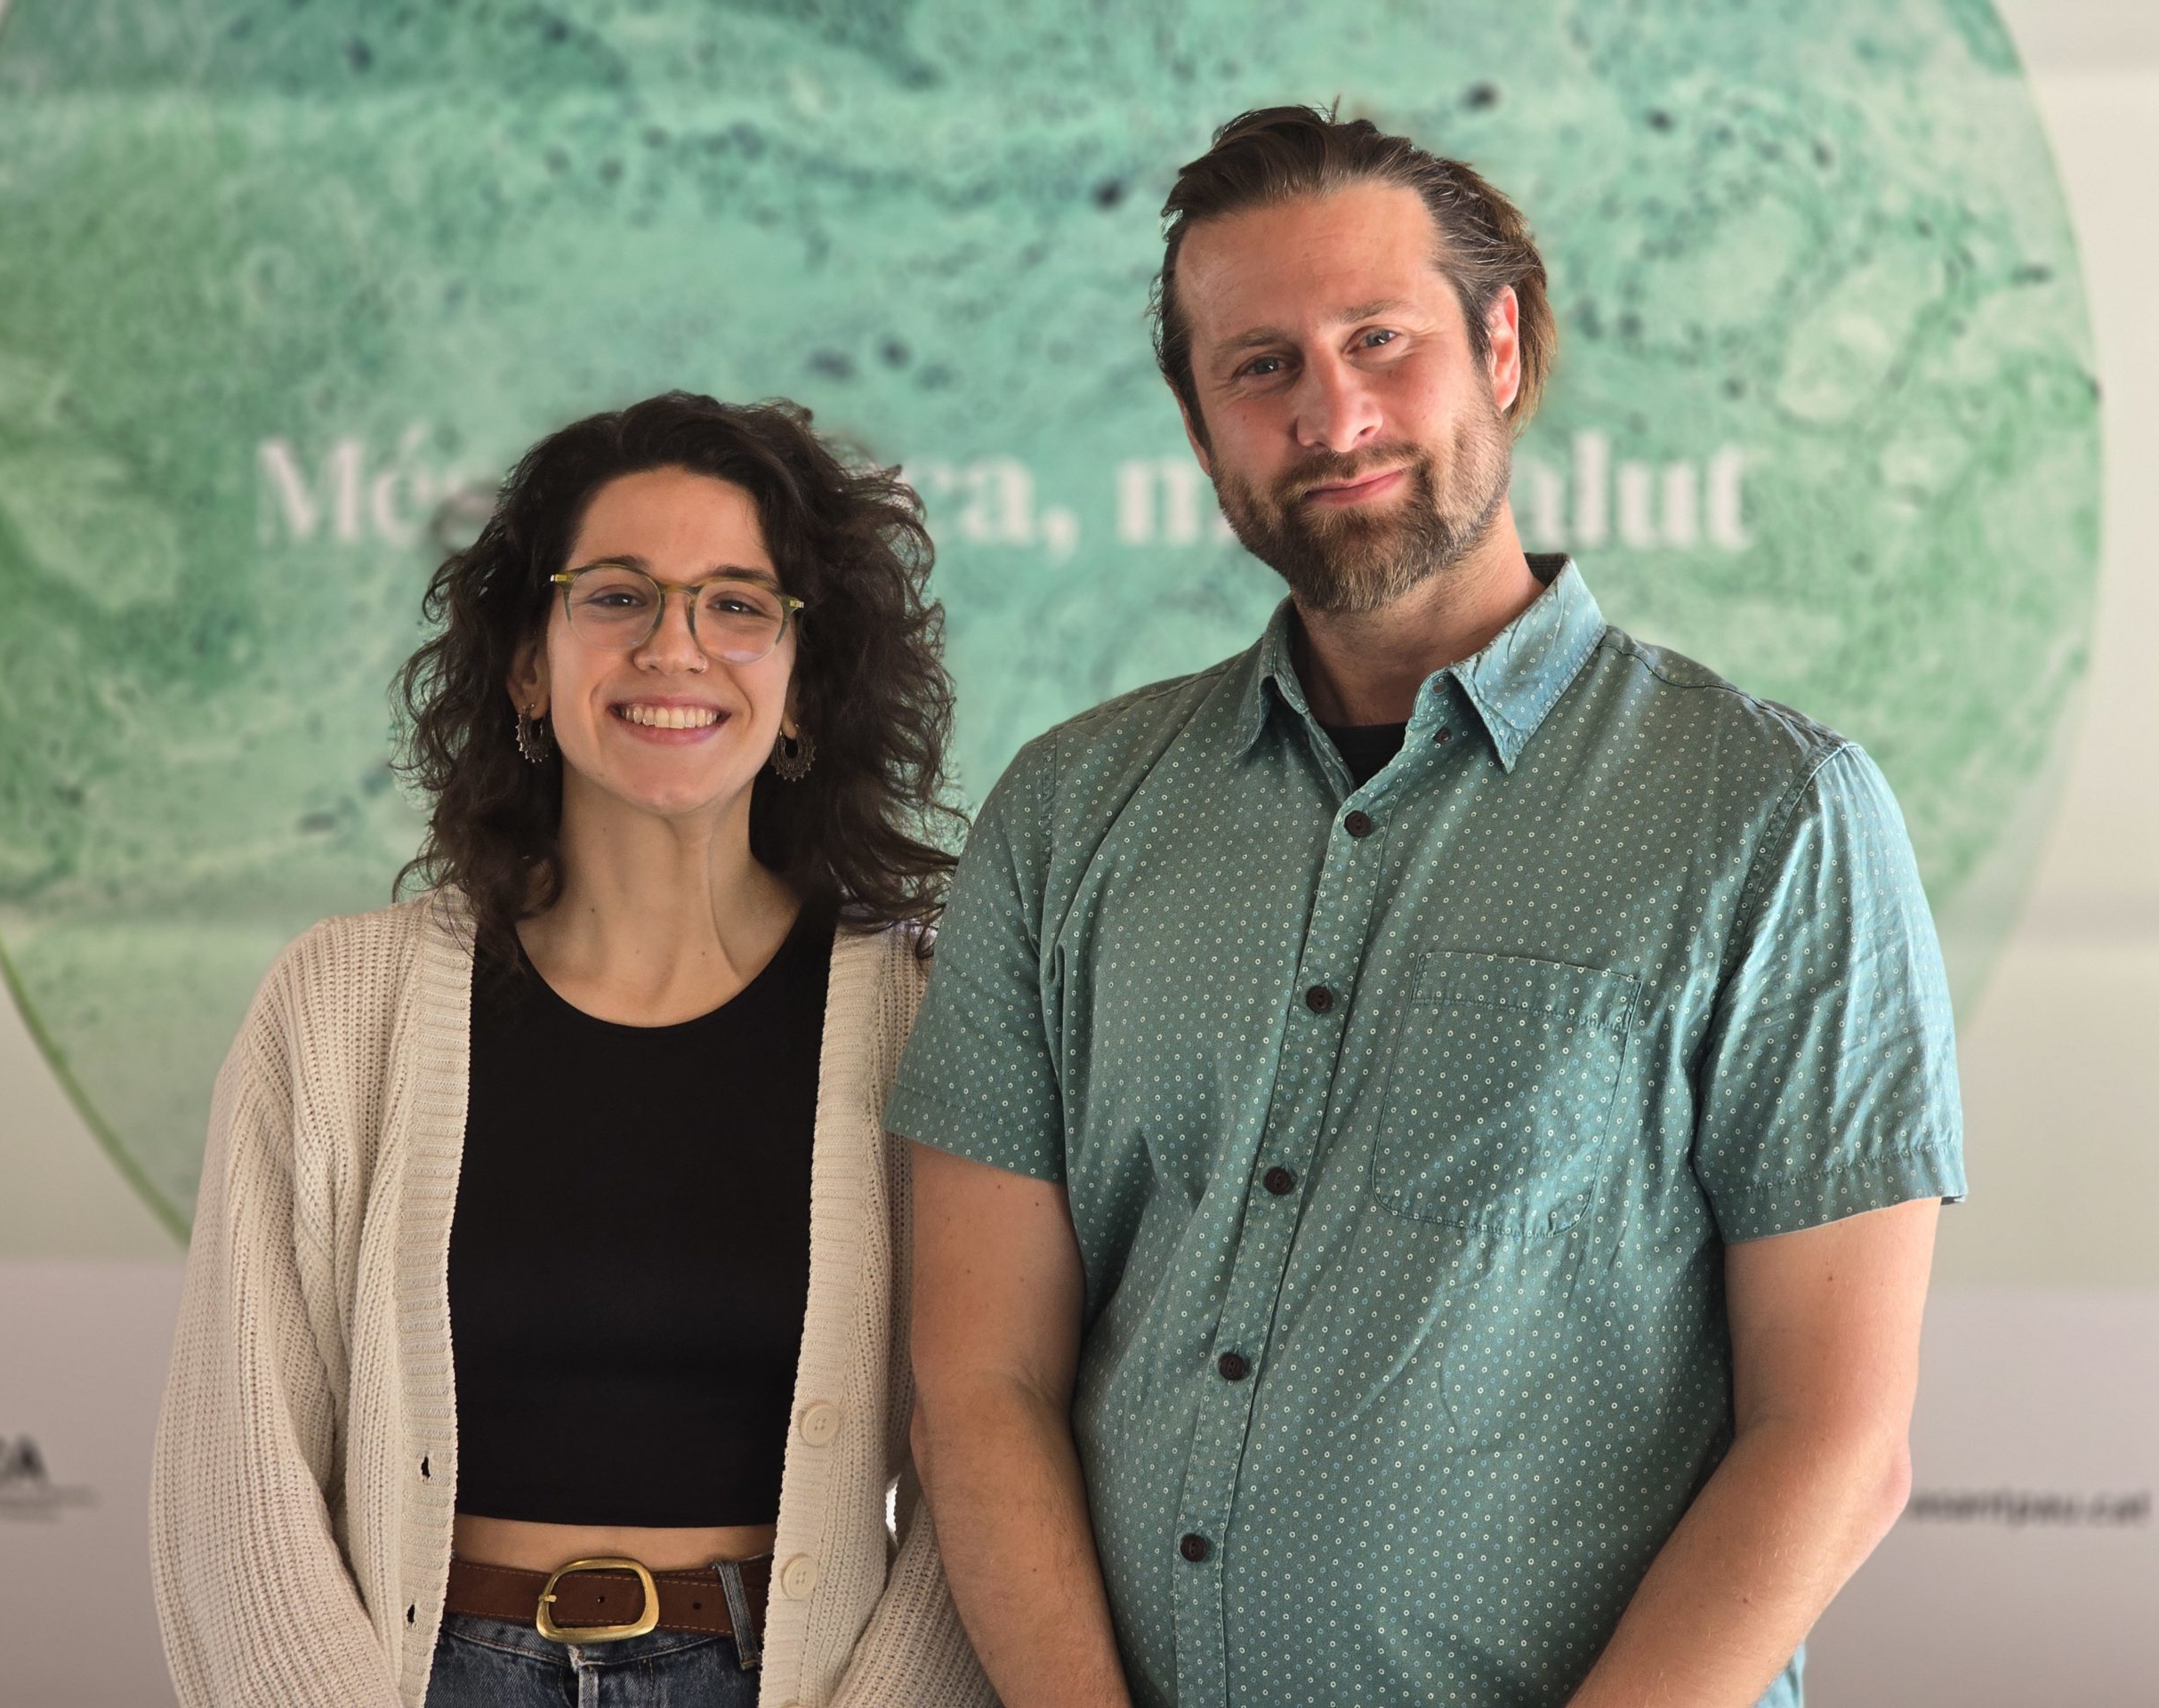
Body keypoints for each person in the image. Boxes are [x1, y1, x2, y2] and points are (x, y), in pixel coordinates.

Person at [894, 107, 1965, 1708]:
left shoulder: (1773, 816)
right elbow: (980, 1384)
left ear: (1501, 350)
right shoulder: (1065, 813)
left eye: (1379, 340)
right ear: (1200, 428)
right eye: (1262, 366)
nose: (1332, 416)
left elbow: (1834, 1446)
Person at [152, 392, 995, 1708]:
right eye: (616, 596)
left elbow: (990, 1458)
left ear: (804, 691)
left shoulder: (930, 1015)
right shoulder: (339, 1008)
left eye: (737, 603)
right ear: (528, 668)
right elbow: (235, 1479)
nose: (675, 646)